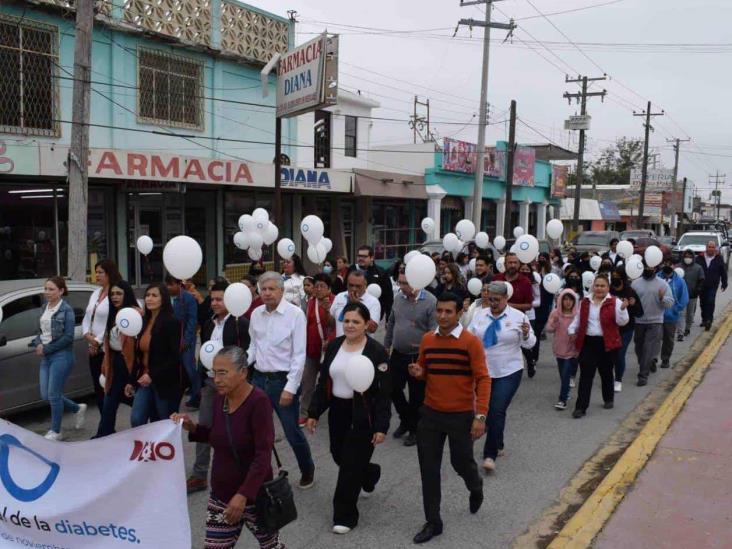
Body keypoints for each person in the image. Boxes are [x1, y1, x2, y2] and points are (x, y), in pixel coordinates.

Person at [172, 347, 285, 549]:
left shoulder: (259, 402)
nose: (216, 379)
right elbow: (217, 437)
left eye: (223, 372)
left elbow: (263, 455)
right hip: (221, 496)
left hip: (255, 497)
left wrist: (243, 496)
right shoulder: (219, 400)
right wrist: (191, 427)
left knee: (272, 546)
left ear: (243, 372)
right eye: (214, 372)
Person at [408, 292, 490, 544]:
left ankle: (475, 486)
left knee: (461, 463)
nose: (442, 316)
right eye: (439, 311)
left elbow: (483, 379)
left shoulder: (470, 342)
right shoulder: (427, 340)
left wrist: (480, 416)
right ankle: (434, 521)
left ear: (459, 313)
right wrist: (419, 372)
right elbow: (425, 370)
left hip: (461, 416)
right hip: (431, 414)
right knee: (428, 470)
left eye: (448, 312)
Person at [306, 303, 391, 534]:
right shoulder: (334, 346)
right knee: (339, 455)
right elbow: (324, 382)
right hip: (338, 412)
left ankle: (345, 515)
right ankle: (370, 472)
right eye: (347, 321)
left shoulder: (376, 352)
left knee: (349, 469)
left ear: (366, 325)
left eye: (356, 321)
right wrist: (313, 412)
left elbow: (384, 393)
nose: (350, 325)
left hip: (364, 414)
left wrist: (382, 426)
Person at [247, 272, 315, 489]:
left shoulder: (295, 315)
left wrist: (291, 387)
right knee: (258, 431)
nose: (266, 293)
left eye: (271, 289)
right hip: (258, 380)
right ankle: (262, 474)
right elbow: (253, 347)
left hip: (281, 382)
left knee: (292, 432)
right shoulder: (256, 314)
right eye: (263, 289)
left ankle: (307, 470)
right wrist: (240, 363)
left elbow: (299, 354)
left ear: (282, 290)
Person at [187, 281, 250, 495]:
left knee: (235, 430)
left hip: (234, 386)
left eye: (219, 299)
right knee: (204, 426)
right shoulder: (208, 324)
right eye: (212, 299)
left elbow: (245, 354)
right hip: (210, 383)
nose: (214, 303)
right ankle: (199, 475)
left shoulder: (240, 324)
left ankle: (240, 474)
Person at [467, 282, 533, 471]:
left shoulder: (518, 317)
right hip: (484, 371)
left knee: (496, 410)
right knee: (486, 411)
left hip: (508, 371)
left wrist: (527, 335)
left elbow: (529, 344)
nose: (493, 303)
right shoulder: (480, 315)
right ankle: (499, 441)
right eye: (490, 299)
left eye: (497, 300)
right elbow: (470, 337)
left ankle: (490, 455)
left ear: (505, 299)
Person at [384, 271, 437, 447]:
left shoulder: (430, 301)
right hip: (398, 353)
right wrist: (387, 344)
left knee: (416, 396)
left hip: (418, 356)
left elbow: (433, 331)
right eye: (399, 282)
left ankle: (414, 430)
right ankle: (406, 419)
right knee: (391, 388)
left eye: (405, 283)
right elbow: (391, 322)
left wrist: (427, 355)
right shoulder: (398, 298)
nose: (401, 287)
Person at [31, 277, 87, 440]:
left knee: (54, 395)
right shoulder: (44, 307)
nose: (47, 292)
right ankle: (77, 408)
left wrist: (46, 348)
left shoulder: (66, 310)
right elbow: (40, 331)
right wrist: (38, 343)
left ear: (61, 291)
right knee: (46, 395)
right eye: (46, 289)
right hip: (46, 356)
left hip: (61, 356)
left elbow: (68, 337)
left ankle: (56, 431)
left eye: (51, 289)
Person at [569, 274, 629, 418]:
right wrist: (572, 330)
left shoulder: (614, 302)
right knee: (586, 375)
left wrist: (621, 309)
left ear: (608, 288)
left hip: (607, 343)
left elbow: (622, 322)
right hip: (589, 342)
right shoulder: (585, 302)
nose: (599, 288)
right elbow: (578, 319)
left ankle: (608, 398)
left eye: (602, 286)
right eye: (597, 285)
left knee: (606, 372)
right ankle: (580, 407)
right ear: (593, 286)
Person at [128, 283, 183, 426]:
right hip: (144, 380)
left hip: (164, 381)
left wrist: (152, 375)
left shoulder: (171, 322)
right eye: (147, 295)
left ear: (163, 299)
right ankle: (144, 447)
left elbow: (174, 357)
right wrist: (131, 380)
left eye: (154, 295)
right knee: (137, 419)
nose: (149, 299)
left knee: (163, 422)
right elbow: (138, 355)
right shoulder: (143, 322)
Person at [96, 280, 139, 437]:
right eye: (112, 294)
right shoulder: (113, 314)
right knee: (109, 401)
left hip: (130, 364)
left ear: (126, 295)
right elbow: (109, 343)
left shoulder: (135, 314)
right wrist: (105, 364)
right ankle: (103, 434)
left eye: (119, 293)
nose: (115, 297)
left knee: (135, 401)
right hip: (114, 362)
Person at [82, 259, 122, 412]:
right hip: (92, 348)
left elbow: (113, 321)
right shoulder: (95, 293)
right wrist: (87, 335)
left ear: (109, 273)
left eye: (100, 273)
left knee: (109, 387)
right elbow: (87, 316)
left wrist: (97, 341)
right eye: (96, 272)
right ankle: (104, 427)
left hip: (106, 348)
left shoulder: (115, 294)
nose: (97, 276)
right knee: (98, 388)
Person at [299, 273, 336, 426]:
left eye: (322, 286)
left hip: (329, 350)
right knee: (307, 383)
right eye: (317, 286)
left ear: (329, 289)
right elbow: (306, 325)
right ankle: (304, 412)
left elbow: (335, 325)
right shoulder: (311, 303)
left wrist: (330, 341)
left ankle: (330, 409)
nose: (319, 289)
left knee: (330, 382)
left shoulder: (336, 301)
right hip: (311, 349)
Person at [632, 263, 674, 386]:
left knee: (648, 347)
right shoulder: (635, 284)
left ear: (655, 269)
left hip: (655, 321)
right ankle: (648, 362)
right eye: (646, 267)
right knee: (639, 346)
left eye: (651, 268)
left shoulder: (662, 284)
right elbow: (630, 300)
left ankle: (643, 375)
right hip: (639, 321)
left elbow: (670, 302)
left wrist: (662, 299)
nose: (648, 270)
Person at [166, 275, 199, 409]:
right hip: (170, 339)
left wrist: (186, 340)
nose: (168, 287)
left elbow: (192, 320)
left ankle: (197, 395)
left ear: (179, 284)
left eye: (171, 285)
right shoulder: (164, 297)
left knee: (189, 368)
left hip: (186, 339)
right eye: (167, 284)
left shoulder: (188, 298)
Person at [609, 266, 643, 393]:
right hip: (610, 328)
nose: (615, 279)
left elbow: (640, 313)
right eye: (613, 276)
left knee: (620, 354)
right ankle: (610, 375)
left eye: (618, 276)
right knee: (610, 354)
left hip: (626, 329)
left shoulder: (630, 292)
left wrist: (633, 305)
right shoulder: (609, 291)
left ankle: (618, 379)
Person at [545, 289, 579, 410]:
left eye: (570, 299)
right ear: (561, 300)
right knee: (562, 374)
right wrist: (553, 323)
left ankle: (562, 399)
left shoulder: (577, 314)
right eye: (565, 299)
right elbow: (548, 329)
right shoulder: (555, 313)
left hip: (572, 349)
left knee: (565, 374)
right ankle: (566, 390)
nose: (568, 302)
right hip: (559, 348)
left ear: (574, 301)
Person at [657, 256, 689, 368]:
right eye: (665, 263)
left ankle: (665, 359)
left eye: (670, 264)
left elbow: (684, 298)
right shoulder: (656, 278)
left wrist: (675, 309)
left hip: (671, 317)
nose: (667, 266)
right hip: (656, 316)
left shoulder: (680, 281)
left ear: (674, 266)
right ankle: (652, 359)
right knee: (654, 339)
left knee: (668, 339)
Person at [330, 270, 381, 336]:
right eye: (351, 285)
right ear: (347, 284)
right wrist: (326, 310)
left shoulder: (373, 302)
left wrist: (358, 305)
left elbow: (372, 329)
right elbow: (331, 324)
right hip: (341, 344)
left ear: (365, 285)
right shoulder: (339, 296)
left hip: (362, 345)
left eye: (358, 286)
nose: (354, 289)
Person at [349, 245, 393, 320]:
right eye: (359, 256)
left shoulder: (381, 272)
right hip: (353, 310)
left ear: (372, 258)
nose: (361, 259)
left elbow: (388, 296)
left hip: (373, 314)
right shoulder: (352, 269)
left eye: (364, 256)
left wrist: (388, 317)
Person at [695, 240, 728, 330]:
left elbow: (723, 272)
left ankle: (709, 320)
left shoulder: (718, 258)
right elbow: (695, 271)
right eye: (709, 247)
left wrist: (724, 283)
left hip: (713, 284)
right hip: (701, 284)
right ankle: (704, 319)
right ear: (706, 248)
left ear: (715, 248)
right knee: (703, 302)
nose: (711, 249)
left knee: (710, 301)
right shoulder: (699, 258)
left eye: (713, 247)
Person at [518, 263, 541, 377]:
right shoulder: (516, 282)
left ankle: (531, 360)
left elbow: (538, 301)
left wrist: (527, 304)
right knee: (519, 340)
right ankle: (529, 360)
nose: (524, 271)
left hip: (530, 315)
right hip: (517, 313)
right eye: (522, 269)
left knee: (527, 339)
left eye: (527, 269)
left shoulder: (534, 283)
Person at [679, 249, 705, 339]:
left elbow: (701, 279)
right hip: (681, 296)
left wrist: (698, 289)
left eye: (690, 257)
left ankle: (687, 328)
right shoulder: (679, 267)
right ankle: (680, 332)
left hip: (692, 295)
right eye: (686, 256)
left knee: (690, 314)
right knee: (681, 313)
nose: (688, 258)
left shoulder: (698, 268)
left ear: (693, 258)